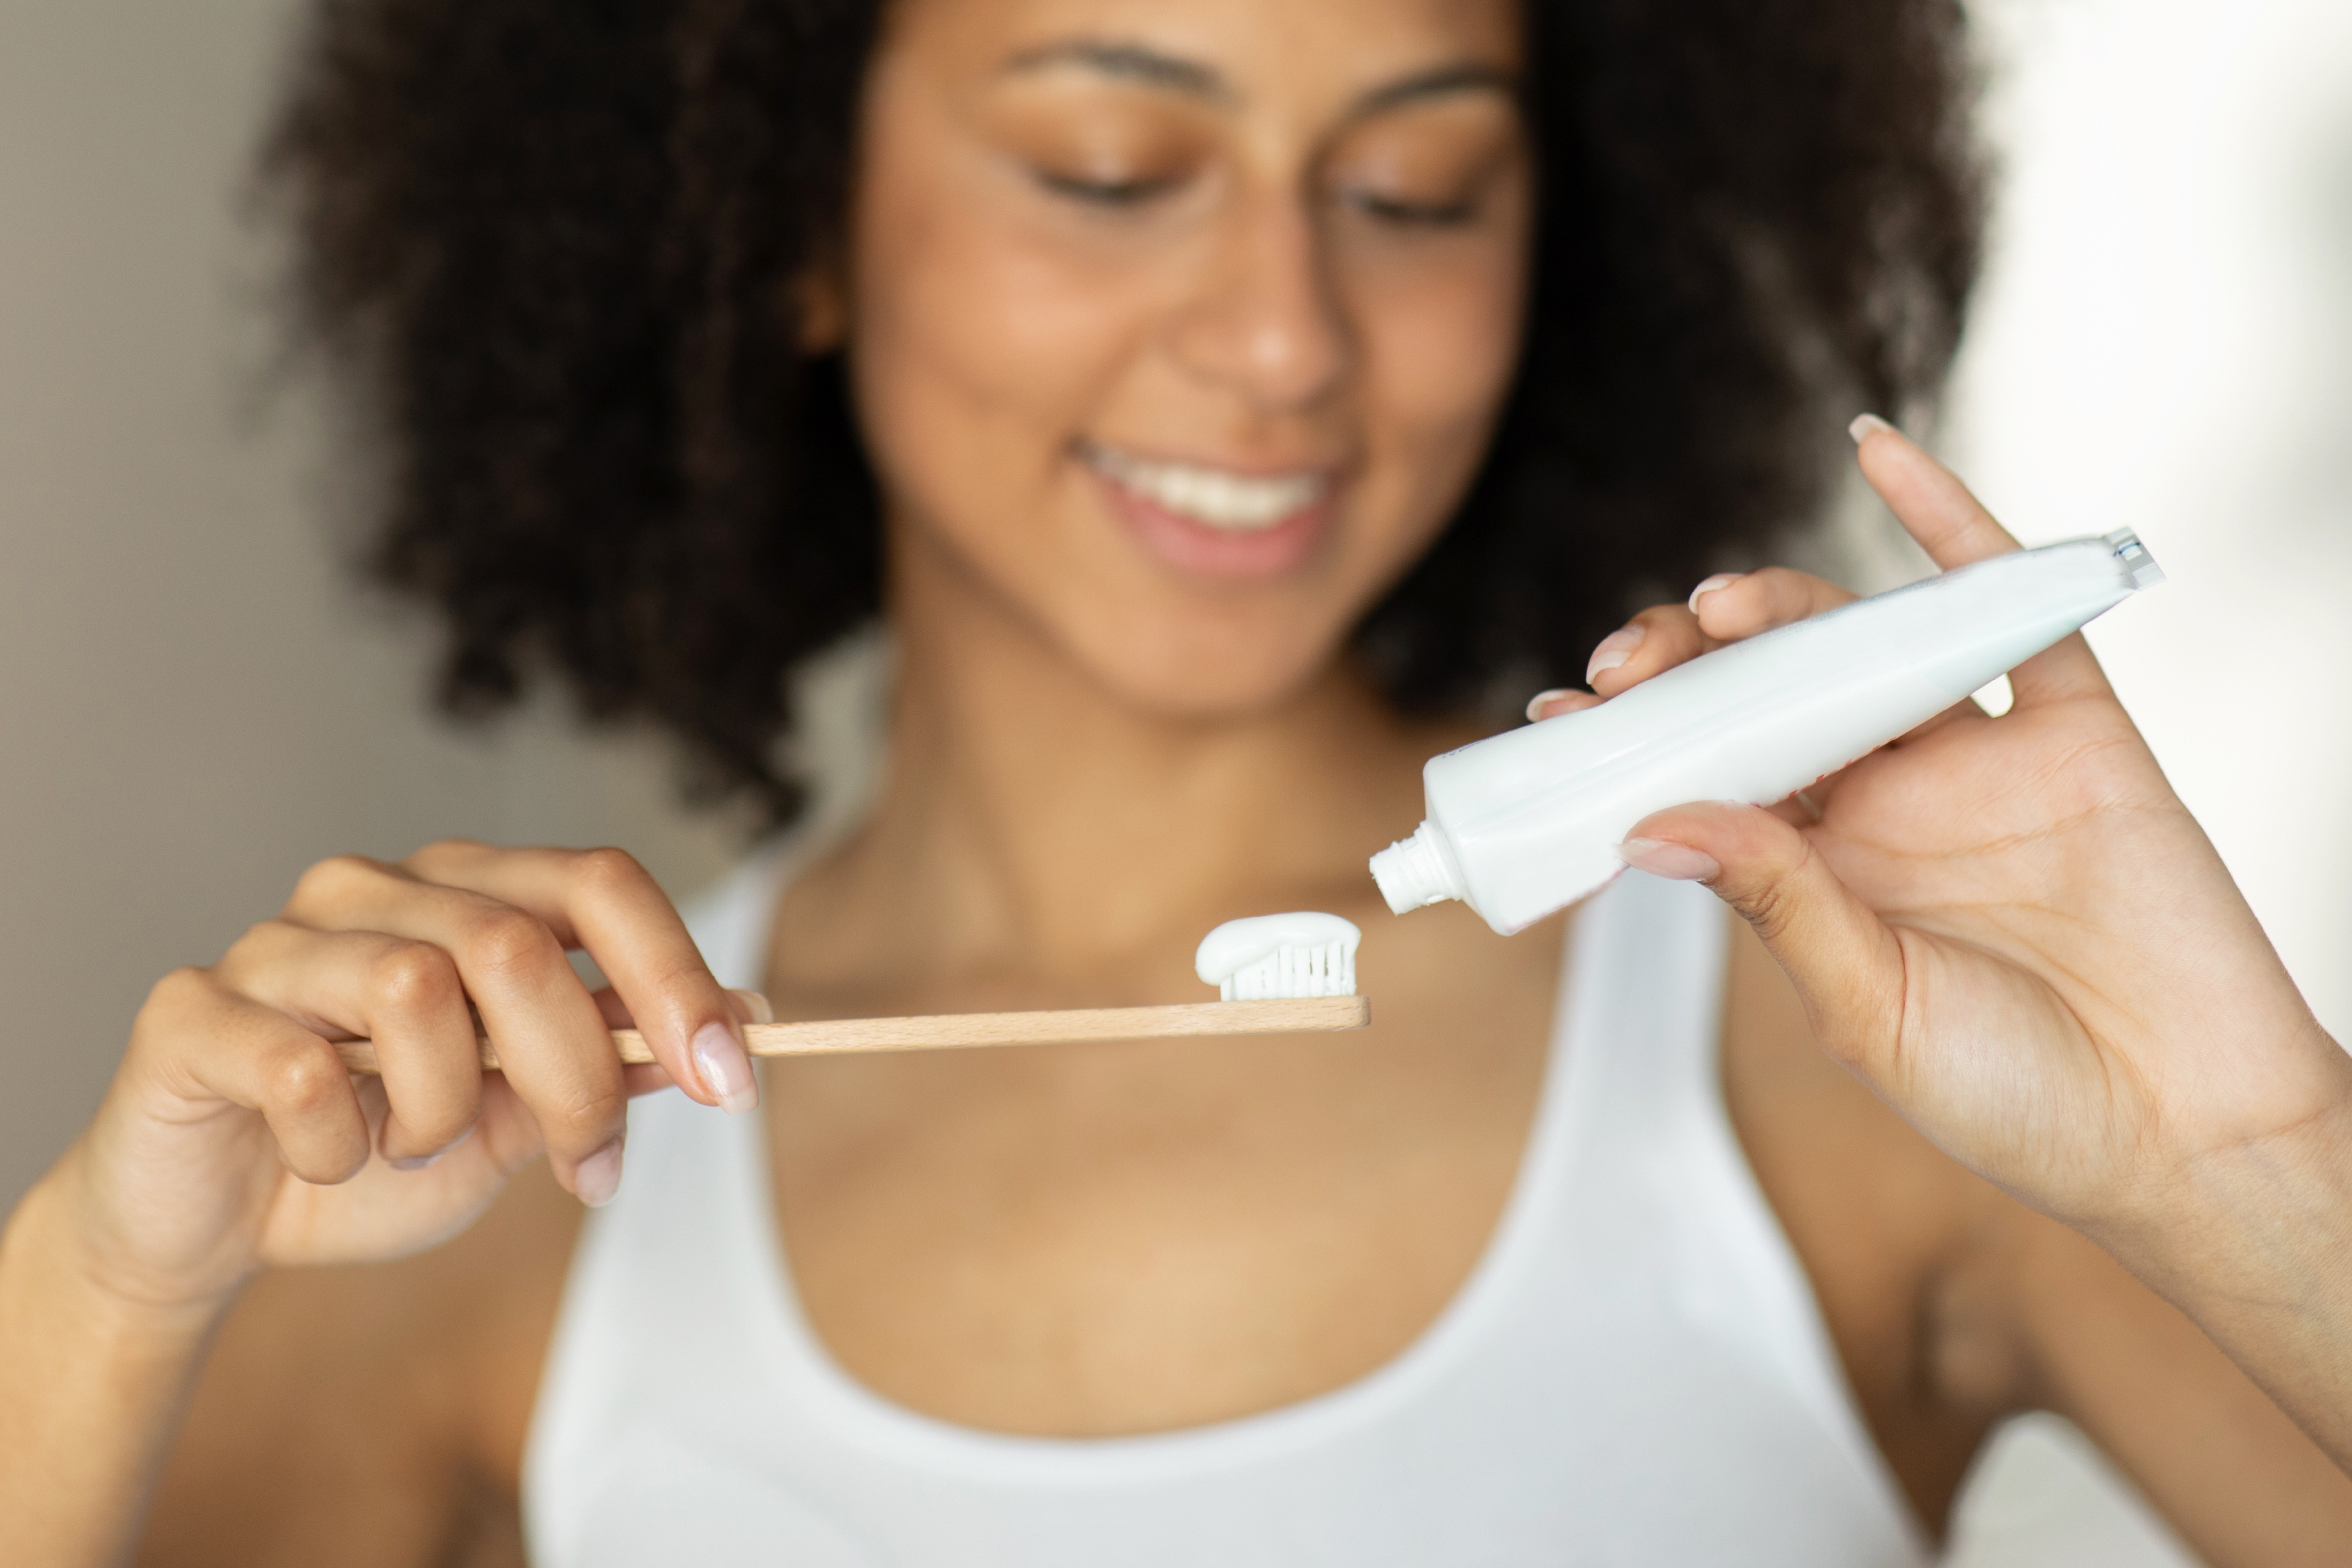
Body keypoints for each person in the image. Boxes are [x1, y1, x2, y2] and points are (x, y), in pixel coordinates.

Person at [4, 0, 2348, 1561]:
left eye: (1415, 191)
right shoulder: (503, 1158)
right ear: (787, 215)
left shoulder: (1848, 1039)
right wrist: (103, 1281)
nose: (1278, 339)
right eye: (1115, 167)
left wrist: (2260, 1167)